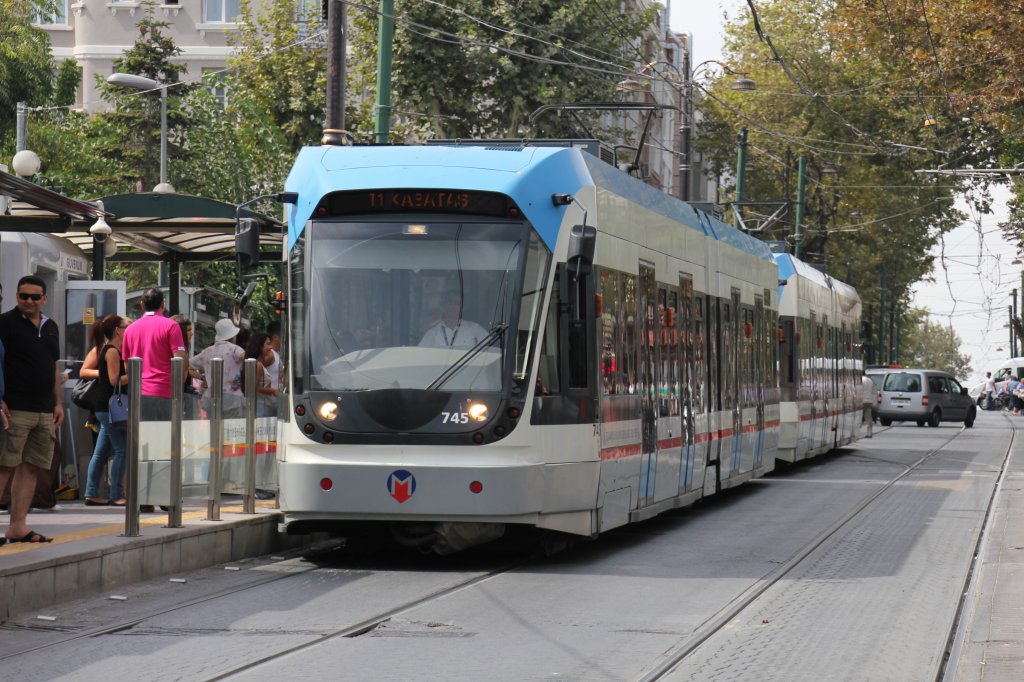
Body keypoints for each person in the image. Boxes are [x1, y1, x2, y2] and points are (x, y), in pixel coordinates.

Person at [0, 275, 63, 544]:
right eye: (23, 296)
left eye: (35, 297)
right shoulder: (5, 323)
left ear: (44, 299)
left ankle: (18, 526)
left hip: (44, 410)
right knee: (4, 466)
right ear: (16, 296)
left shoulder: (51, 326)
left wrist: (58, 402)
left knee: (32, 467)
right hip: (14, 408)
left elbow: (53, 366)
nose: (29, 301)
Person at [79, 315, 129, 506]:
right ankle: (117, 494)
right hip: (109, 407)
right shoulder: (112, 351)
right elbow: (114, 380)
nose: (128, 330)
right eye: (125, 327)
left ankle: (91, 493)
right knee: (121, 450)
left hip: (104, 407)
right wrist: (136, 372)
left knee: (101, 452)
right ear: (118, 330)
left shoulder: (110, 349)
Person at [120, 288, 189, 421]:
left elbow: (128, 368)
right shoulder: (171, 326)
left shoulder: (129, 330)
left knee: (143, 433)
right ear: (163, 304)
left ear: (142, 305)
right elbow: (181, 360)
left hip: (138, 395)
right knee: (166, 433)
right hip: (166, 393)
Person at [190, 318, 246, 418]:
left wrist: (202, 377)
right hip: (233, 399)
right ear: (233, 336)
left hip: (212, 399)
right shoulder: (235, 349)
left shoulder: (207, 351)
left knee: (214, 427)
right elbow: (244, 357)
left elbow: (187, 365)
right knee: (232, 427)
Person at [419, 291, 489, 349]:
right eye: (450, 302)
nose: (453, 306)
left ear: (462, 308)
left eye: (457, 303)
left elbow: (491, 347)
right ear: (443, 305)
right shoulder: (433, 333)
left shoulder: (474, 328)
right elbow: (420, 354)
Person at [242, 332, 279, 417]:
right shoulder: (258, 365)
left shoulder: (257, 363)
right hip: (260, 406)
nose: (271, 347)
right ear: (260, 346)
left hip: (261, 405)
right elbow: (253, 389)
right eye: (268, 344)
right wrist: (273, 391)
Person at [171, 314, 201, 419]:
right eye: (188, 330)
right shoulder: (176, 350)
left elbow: (187, 370)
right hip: (177, 395)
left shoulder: (183, 348)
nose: (191, 334)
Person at [861, 373, 875, 438]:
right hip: (869, 400)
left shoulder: (861, 380)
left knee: (859, 417)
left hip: (862, 401)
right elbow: (873, 391)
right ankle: (869, 433)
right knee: (868, 418)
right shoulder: (870, 380)